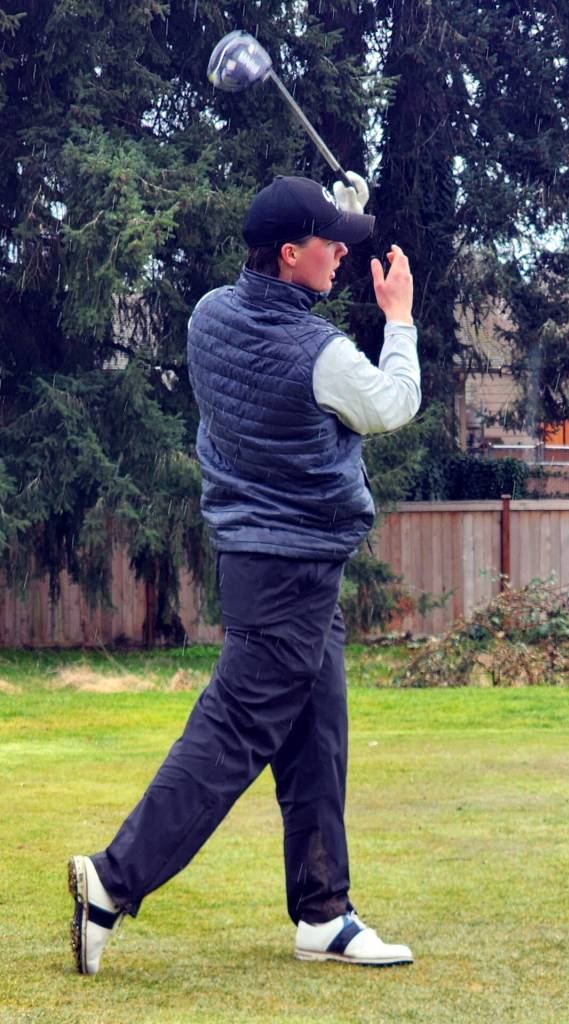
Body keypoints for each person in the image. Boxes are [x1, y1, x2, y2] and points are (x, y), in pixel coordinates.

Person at [68, 172, 421, 974]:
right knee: (230, 736)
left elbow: (303, 263)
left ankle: (323, 912)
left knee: (317, 732)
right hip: (293, 566)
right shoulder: (322, 354)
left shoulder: (208, 317)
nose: (340, 255)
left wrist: (342, 208)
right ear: (288, 255)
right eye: (327, 245)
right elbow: (393, 404)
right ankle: (110, 885)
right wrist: (397, 319)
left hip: (257, 560)